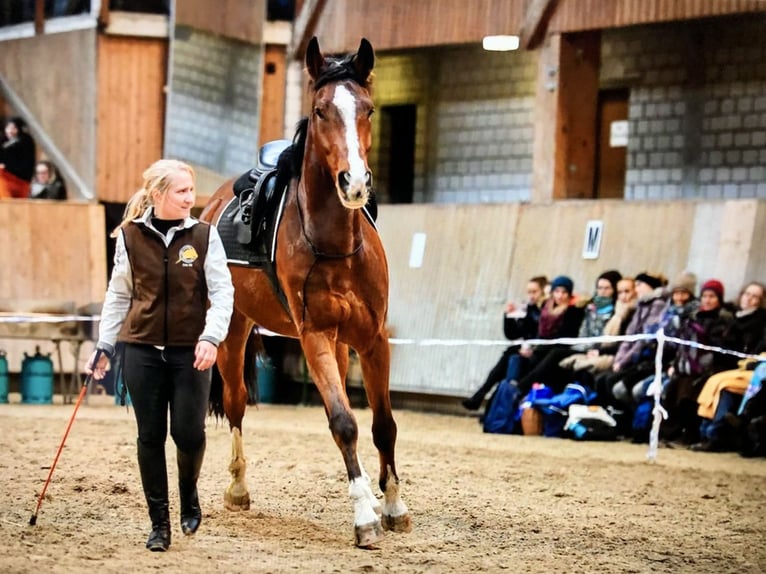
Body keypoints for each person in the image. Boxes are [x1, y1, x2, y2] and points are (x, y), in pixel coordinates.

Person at [85, 159, 234, 552]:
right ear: (158, 195)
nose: (190, 198)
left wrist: (211, 337)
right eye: (182, 191)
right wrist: (104, 344)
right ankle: (159, 524)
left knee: (189, 433)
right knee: (149, 437)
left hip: (192, 352)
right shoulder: (130, 237)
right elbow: (118, 295)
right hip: (141, 349)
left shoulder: (204, 236)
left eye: (191, 190)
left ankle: (189, 493)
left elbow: (223, 293)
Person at [692, 281, 766, 452]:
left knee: (723, 385)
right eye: (747, 294)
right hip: (739, 366)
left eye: (754, 296)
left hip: (755, 370)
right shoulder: (735, 318)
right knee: (715, 382)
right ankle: (706, 433)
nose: (749, 299)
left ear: (760, 300)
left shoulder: (760, 321)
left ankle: (714, 435)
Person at [661, 279, 734, 445]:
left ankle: (690, 434)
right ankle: (669, 433)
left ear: (719, 299)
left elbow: (723, 349)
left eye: (712, 296)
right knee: (672, 387)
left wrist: (705, 339)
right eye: (704, 296)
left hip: (714, 366)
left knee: (689, 390)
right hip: (689, 366)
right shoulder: (692, 319)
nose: (707, 300)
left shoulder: (725, 320)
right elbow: (682, 346)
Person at [462, 275, 548, 410]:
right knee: (509, 355)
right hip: (525, 348)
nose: (531, 296)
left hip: (541, 351)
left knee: (509, 355)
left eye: (534, 292)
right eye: (529, 292)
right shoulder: (528, 309)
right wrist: (508, 317)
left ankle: (481, 395)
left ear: (544, 291)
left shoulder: (546, 309)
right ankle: (484, 397)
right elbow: (512, 334)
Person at [0, 117, 36, 198]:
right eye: (8, 128)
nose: (10, 131)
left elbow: (26, 164)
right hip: (6, 178)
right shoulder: (3, 141)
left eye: (13, 128)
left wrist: (6, 167)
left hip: (20, 180)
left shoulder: (25, 141)